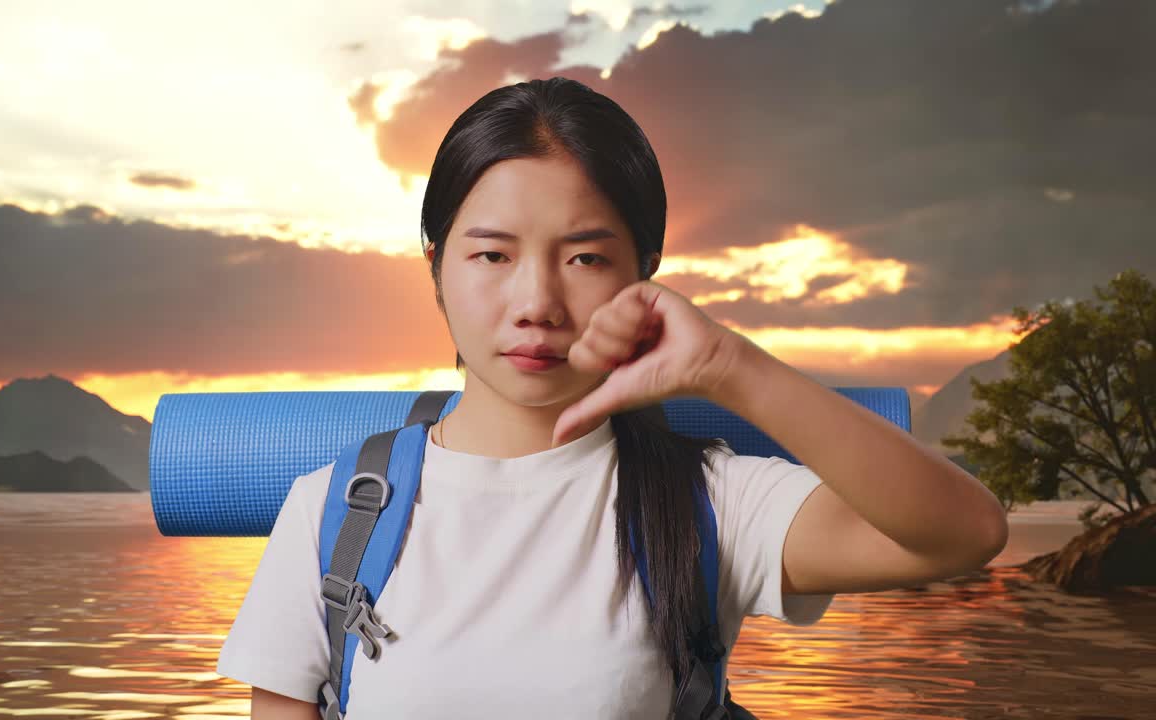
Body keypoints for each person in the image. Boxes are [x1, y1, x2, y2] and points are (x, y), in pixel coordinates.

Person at [215, 76, 1009, 719]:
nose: (537, 301)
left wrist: (731, 366)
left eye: (586, 259)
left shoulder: (711, 503)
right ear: (435, 266)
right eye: (491, 254)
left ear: (644, 273)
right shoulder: (334, 517)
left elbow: (966, 533)